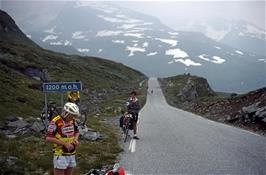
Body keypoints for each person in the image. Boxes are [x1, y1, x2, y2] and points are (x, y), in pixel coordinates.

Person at [46, 102, 80, 175]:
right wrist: (65, 144)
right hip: (60, 154)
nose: (73, 117)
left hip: (71, 153)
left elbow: (77, 131)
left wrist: (75, 139)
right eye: (72, 115)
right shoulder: (55, 121)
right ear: (66, 113)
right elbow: (48, 138)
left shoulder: (73, 120)